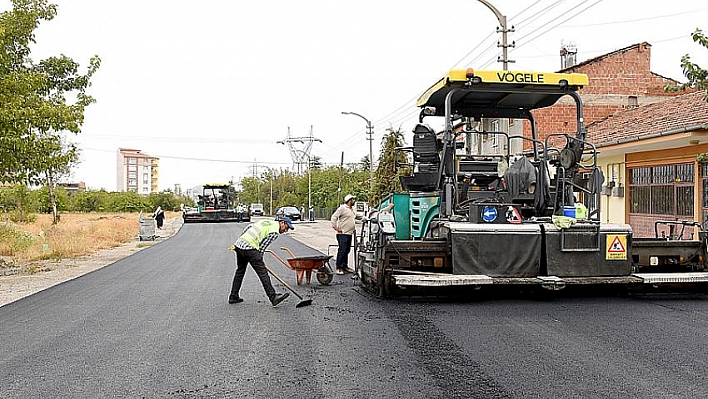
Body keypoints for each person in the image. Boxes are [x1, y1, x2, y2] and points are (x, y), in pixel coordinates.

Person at [228, 216, 294, 306]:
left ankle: (233, 296)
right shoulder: (274, 232)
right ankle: (273, 297)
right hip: (249, 247)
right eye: (286, 228)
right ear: (282, 222)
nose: (286, 231)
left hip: (239, 244)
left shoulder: (266, 221)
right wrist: (259, 259)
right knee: (263, 273)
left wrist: (244, 240)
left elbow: (249, 227)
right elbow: (262, 247)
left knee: (240, 271)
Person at [330, 194, 361, 275]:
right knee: (342, 250)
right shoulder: (342, 208)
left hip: (350, 234)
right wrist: (335, 227)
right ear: (349, 201)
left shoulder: (352, 209)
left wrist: (368, 217)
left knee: (347, 250)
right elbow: (334, 217)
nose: (354, 201)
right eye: (353, 200)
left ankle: (344, 266)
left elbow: (357, 216)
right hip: (343, 234)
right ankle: (339, 267)